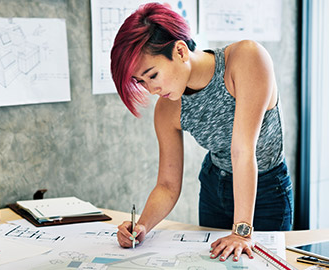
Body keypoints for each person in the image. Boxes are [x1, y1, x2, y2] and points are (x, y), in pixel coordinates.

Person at [110, 2, 293, 262]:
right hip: (214, 187)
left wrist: (242, 232)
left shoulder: (246, 59)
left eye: (152, 75)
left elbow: (242, 151)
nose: (150, 90)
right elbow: (167, 185)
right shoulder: (167, 109)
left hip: (265, 188)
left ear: (181, 51)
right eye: (141, 82)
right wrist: (141, 227)